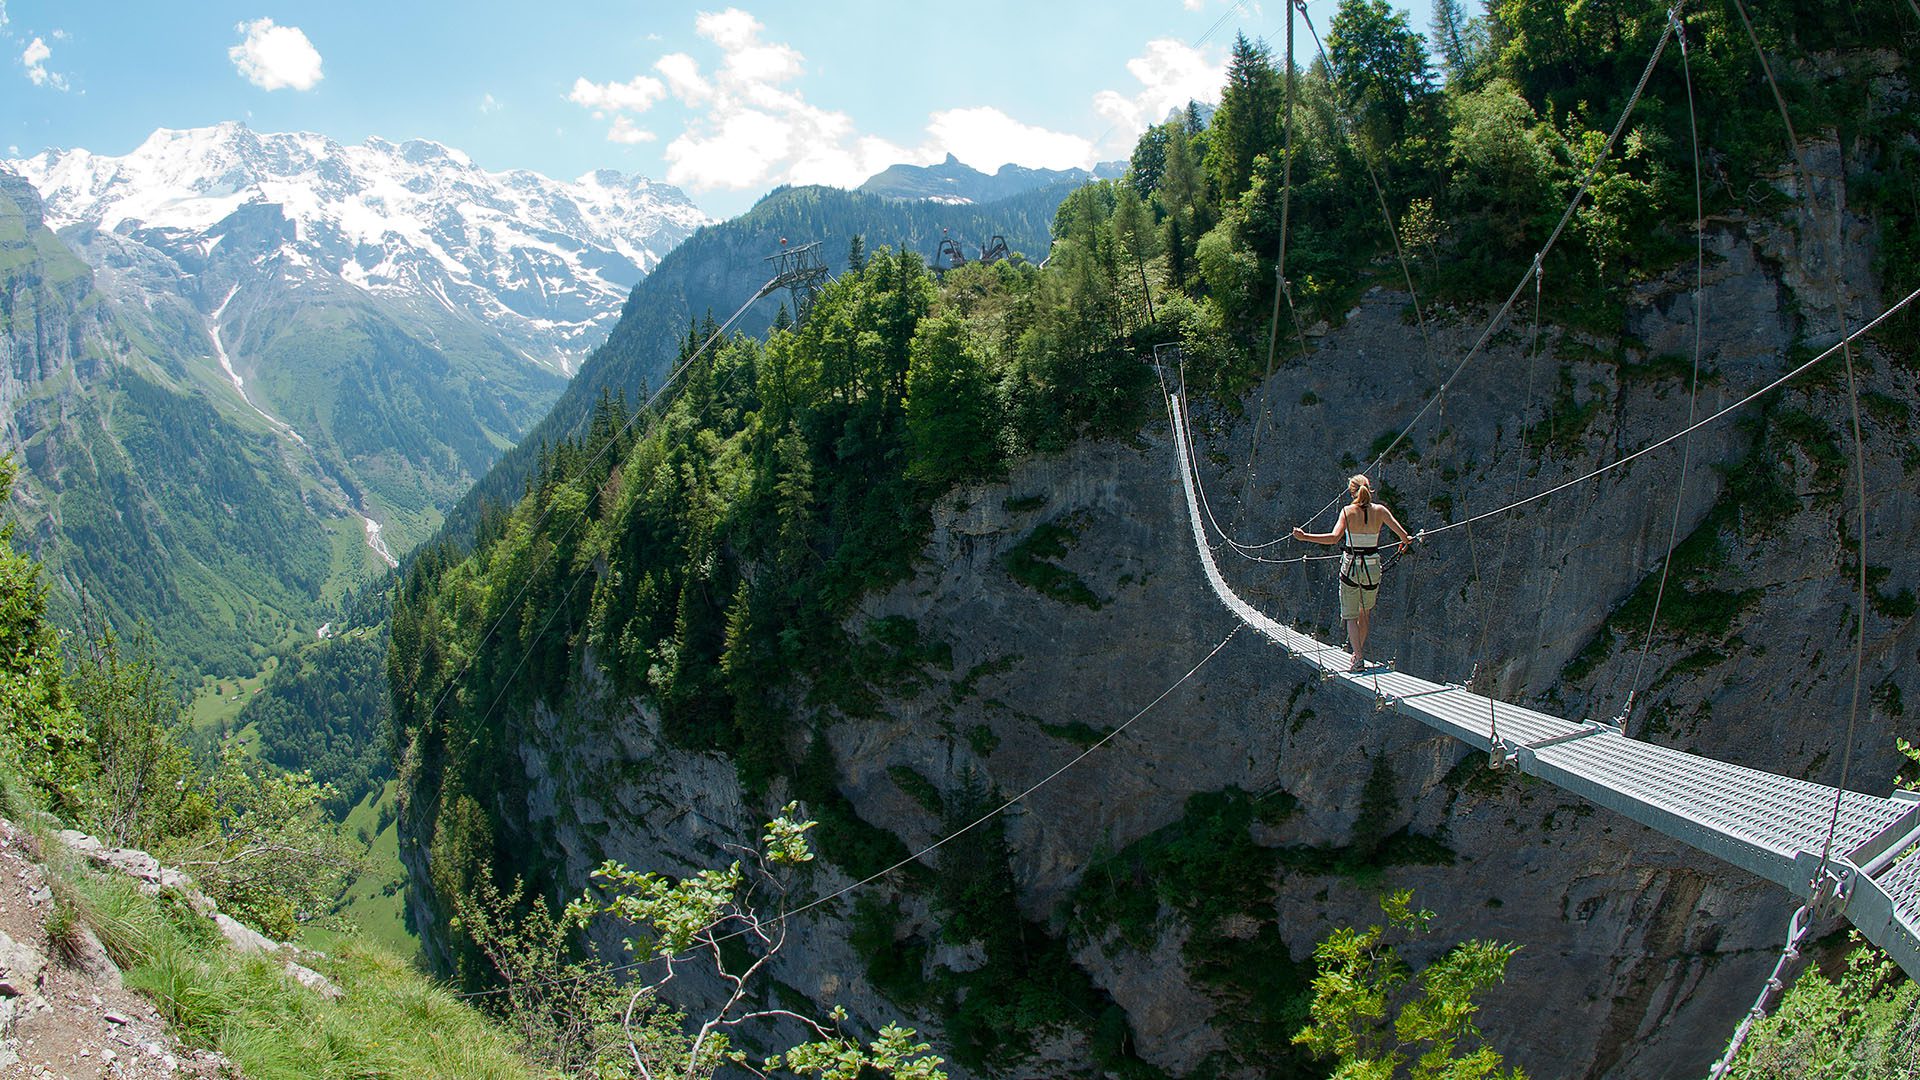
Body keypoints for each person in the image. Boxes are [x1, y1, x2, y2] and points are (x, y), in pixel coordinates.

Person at [1292, 475, 1411, 672]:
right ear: (1369, 489)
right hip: (1373, 568)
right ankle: (1357, 653)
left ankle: (1358, 658)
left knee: (1350, 615)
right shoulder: (1381, 511)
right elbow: (1404, 537)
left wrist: (1305, 537)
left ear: (1352, 492)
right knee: (1364, 613)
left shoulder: (1348, 512)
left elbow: (1333, 539)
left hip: (1351, 567)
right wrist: (1404, 542)